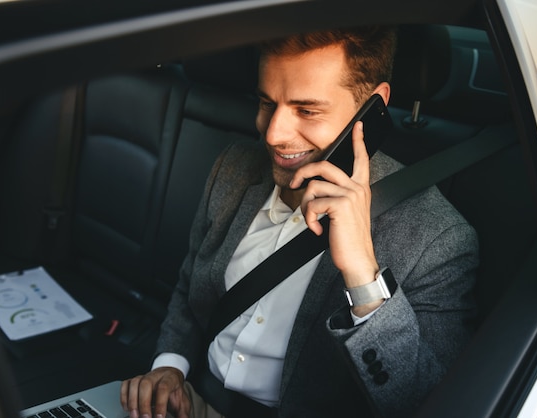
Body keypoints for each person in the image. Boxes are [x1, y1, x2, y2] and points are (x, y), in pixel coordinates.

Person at [121, 26, 478, 418]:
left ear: (373, 105)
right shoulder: (234, 168)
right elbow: (191, 291)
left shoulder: (437, 239)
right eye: (266, 102)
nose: (273, 134)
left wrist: (362, 274)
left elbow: (425, 404)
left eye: (306, 110)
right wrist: (170, 368)